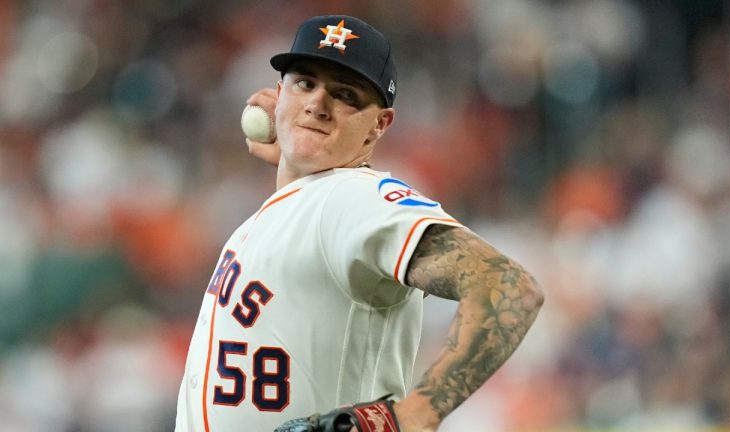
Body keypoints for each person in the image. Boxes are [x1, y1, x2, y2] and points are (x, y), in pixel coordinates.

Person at [175, 15, 544, 432]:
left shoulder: (353, 198)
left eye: (345, 95)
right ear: (278, 96)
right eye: (304, 84)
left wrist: (417, 412)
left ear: (379, 125)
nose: (318, 104)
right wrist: (297, 159)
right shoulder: (298, 206)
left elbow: (508, 285)